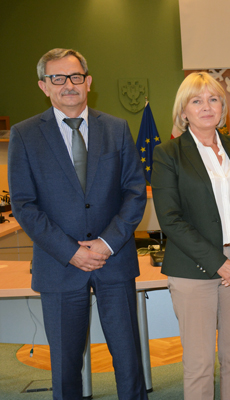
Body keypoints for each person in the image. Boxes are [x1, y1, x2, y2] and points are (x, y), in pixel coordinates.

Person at [8, 48, 148, 399]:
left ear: (88, 82)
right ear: (44, 86)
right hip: (59, 265)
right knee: (65, 365)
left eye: (74, 77)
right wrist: (71, 251)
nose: (67, 85)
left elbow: (134, 193)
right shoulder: (25, 135)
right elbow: (24, 205)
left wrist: (106, 243)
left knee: (128, 359)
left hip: (114, 260)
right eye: (57, 78)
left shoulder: (116, 128)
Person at [151, 72, 230, 400]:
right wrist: (220, 263)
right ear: (183, 111)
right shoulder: (168, 153)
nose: (206, 107)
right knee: (199, 364)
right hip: (194, 269)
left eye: (213, 99)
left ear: (222, 108)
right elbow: (170, 219)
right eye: (196, 101)